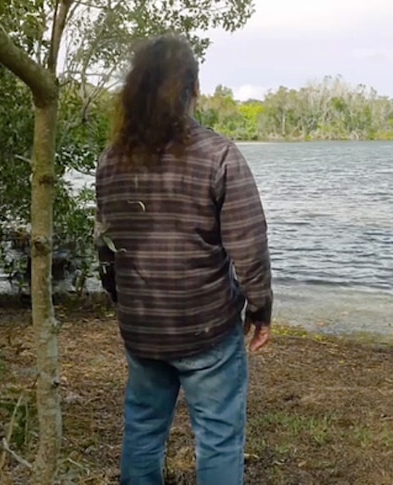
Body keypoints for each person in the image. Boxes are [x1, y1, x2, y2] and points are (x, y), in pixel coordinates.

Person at [93, 34, 273, 485]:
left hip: (142, 328)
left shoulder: (110, 160)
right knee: (217, 437)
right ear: (192, 88)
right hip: (206, 329)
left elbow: (105, 246)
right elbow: (248, 243)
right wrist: (261, 308)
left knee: (142, 430)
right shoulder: (218, 154)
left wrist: (124, 300)